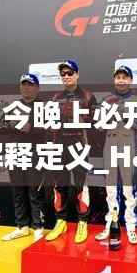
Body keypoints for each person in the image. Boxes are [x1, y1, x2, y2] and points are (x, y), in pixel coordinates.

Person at [46, 60, 97, 244]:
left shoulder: (88, 96)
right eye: (63, 74)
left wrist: (80, 118)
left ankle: (83, 222)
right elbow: (49, 123)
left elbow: (96, 123)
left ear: (77, 74)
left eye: (70, 73)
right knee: (59, 185)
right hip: (59, 144)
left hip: (79, 143)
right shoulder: (55, 97)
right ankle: (61, 222)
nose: (66, 76)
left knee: (80, 186)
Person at [95, 65, 137, 245]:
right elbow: (98, 126)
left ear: (130, 80)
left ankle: (131, 226)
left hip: (129, 144)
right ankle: (110, 224)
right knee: (111, 189)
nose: (121, 80)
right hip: (110, 143)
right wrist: (109, 116)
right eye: (118, 77)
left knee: (129, 189)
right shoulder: (106, 100)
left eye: (124, 77)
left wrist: (127, 117)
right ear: (114, 80)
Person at [1, 73, 49, 242]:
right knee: (18, 191)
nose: (27, 88)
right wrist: (9, 124)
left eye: (30, 85)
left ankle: (38, 227)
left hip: (35, 154)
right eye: (24, 84)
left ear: (37, 88)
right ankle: (22, 226)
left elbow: (50, 131)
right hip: (15, 153)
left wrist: (30, 128)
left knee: (35, 192)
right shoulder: (13, 106)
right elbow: (0, 128)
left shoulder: (44, 107)